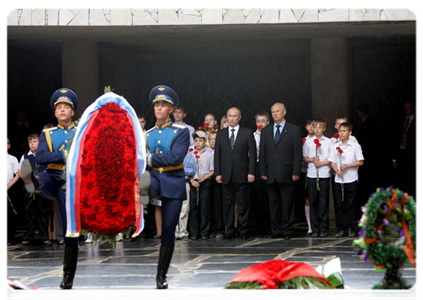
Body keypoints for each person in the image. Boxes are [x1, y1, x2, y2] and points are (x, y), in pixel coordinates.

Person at [20, 88, 79, 290]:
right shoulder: (47, 133)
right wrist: (63, 155)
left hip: (69, 182)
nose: (62, 110)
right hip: (51, 175)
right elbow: (41, 156)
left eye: (66, 107)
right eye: (59, 108)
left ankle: (68, 275)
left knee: (70, 228)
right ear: (55, 113)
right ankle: (33, 183)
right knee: (41, 179)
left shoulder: (79, 132)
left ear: (72, 112)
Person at [145, 85, 190, 289]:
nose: (159, 108)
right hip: (154, 178)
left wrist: (150, 158)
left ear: (171, 109)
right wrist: (151, 162)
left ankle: (161, 274)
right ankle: (143, 195)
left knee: (169, 229)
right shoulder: (147, 134)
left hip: (173, 180)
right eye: (157, 105)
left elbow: (175, 158)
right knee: (146, 184)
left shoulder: (181, 132)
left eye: (164, 105)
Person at [259, 103, 302, 240]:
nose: (275, 114)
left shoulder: (294, 130)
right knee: (274, 204)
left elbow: (297, 153)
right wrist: (262, 171)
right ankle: (276, 230)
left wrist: (296, 172)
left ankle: (288, 230)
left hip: (287, 172)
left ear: (284, 112)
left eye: (277, 111)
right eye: (273, 112)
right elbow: (263, 153)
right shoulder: (266, 131)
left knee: (287, 203)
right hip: (271, 173)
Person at [214, 107, 256, 240]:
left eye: (234, 116)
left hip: (242, 174)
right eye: (229, 116)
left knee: (243, 204)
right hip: (226, 174)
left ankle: (243, 230)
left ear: (240, 117)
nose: (231, 118)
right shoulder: (220, 134)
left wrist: (251, 172)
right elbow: (217, 155)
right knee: (228, 205)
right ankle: (230, 230)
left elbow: (253, 155)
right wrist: (218, 173)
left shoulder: (247, 133)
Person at [329, 122, 364, 237]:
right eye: (340, 131)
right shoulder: (335, 146)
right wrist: (337, 170)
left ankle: (350, 227)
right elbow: (332, 161)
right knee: (340, 205)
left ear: (350, 132)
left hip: (351, 179)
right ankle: (341, 228)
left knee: (350, 204)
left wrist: (348, 166)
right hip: (339, 180)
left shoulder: (355, 146)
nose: (341, 133)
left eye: (344, 131)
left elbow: (360, 161)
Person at [19, 133, 50, 246]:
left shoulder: (44, 155)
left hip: (41, 188)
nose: (32, 144)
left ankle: (44, 236)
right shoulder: (25, 156)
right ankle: (28, 236)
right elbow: (21, 172)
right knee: (28, 212)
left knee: (42, 211)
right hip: (29, 187)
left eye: (34, 141)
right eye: (30, 142)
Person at [302, 119, 331, 237]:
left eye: (320, 127)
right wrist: (312, 160)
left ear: (324, 128)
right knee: (313, 201)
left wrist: (322, 163)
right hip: (312, 175)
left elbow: (331, 158)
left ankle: (324, 227)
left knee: (323, 202)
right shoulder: (308, 142)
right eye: (315, 127)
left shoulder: (328, 142)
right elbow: (304, 158)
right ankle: (314, 228)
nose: (317, 129)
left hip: (324, 174)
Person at [189, 130, 214, 240]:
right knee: (193, 207)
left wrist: (204, 177)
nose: (198, 143)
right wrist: (192, 180)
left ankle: (204, 231)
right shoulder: (190, 152)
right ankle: (194, 232)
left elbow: (213, 170)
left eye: (200, 141)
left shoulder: (209, 153)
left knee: (205, 207)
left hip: (205, 181)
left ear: (205, 141)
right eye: (196, 141)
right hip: (193, 182)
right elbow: (187, 168)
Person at [393, 101, 419, 204]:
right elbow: (396, 139)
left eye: (409, 107)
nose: (406, 109)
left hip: (413, 157)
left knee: (412, 180)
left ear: (413, 108)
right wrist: (394, 158)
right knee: (402, 180)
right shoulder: (402, 121)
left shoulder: (418, 122)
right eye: (405, 107)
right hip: (402, 156)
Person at [251, 111, 271, 236]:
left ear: (268, 123)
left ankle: (270, 226)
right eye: (258, 121)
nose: (260, 123)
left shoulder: (271, 135)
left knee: (269, 198)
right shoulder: (251, 135)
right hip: (256, 168)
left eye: (263, 121)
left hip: (269, 168)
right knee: (258, 198)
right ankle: (259, 227)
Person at [175, 151, 196, 241]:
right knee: (173, 208)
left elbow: (192, 170)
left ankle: (183, 232)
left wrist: (179, 170)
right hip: (172, 182)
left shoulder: (188, 154)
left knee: (185, 208)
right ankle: (174, 232)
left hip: (184, 182)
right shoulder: (170, 153)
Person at [207, 130, 224, 239]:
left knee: (218, 205)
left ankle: (219, 229)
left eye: (215, 139)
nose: (213, 142)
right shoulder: (206, 151)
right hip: (208, 180)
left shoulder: (222, 152)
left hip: (218, 180)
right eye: (211, 139)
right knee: (209, 205)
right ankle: (210, 229)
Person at [5, 137, 21, 245]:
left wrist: (9, 185)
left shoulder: (12, 159)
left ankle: (9, 237)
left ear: (8, 146)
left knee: (10, 213)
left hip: (9, 188)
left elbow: (18, 173)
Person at [301, 119, 314, 236]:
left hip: (319, 172)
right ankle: (310, 226)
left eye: (313, 125)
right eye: (308, 125)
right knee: (307, 199)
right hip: (306, 172)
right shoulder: (304, 141)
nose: (310, 127)